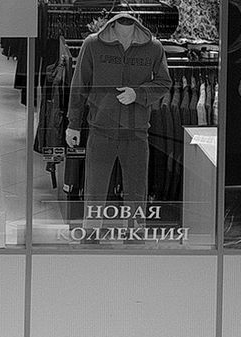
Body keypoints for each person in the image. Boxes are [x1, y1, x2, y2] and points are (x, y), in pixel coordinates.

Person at [65, 13, 171, 224]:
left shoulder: (154, 48)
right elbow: (79, 86)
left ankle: (134, 235)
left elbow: (164, 82)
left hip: (136, 132)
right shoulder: (92, 44)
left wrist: (138, 94)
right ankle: (91, 233)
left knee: (136, 191)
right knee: (94, 189)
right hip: (101, 130)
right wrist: (73, 124)